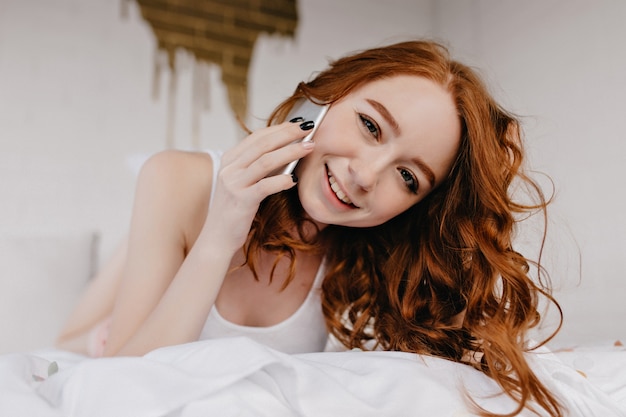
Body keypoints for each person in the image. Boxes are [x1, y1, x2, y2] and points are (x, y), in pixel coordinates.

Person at [57, 40, 562, 416]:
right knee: (72, 345)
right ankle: (141, 245)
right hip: (111, 339)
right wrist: (218, 236)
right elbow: (115, 388)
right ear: (325, 96)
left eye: (408, 177)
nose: (364, 176)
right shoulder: (176, 178)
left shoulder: (363, 249)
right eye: (370, 126)